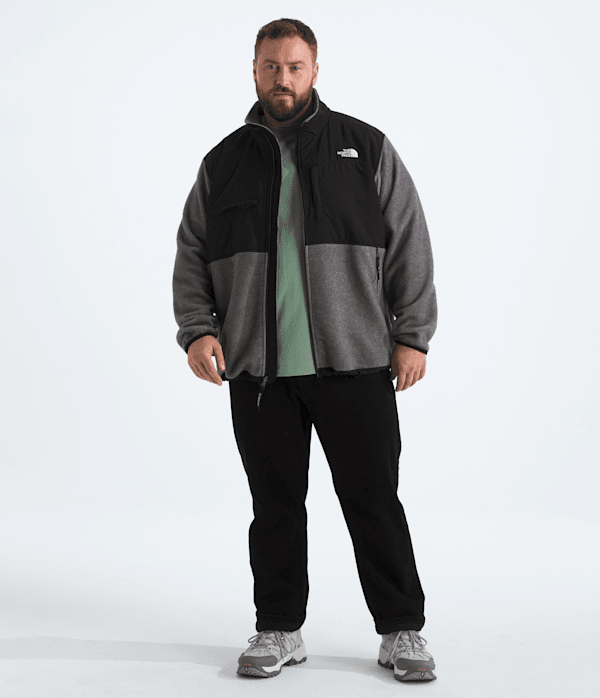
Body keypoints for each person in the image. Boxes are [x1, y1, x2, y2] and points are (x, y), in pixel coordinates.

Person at [172, 17, 438, 683]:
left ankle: (401, 630)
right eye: (270, 66)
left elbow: (409, 238)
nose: (282, 79)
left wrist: (411, 335)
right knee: (274, 508)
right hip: (259, 371)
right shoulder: (224, 162)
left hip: (356, 362)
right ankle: (279, 627)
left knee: (374, 502)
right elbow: (193, 252)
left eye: (294, 66)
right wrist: (198, 329)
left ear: (315, 70)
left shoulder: (364, 147)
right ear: (254, 71)